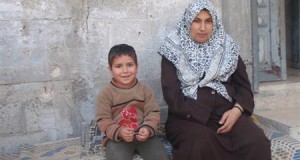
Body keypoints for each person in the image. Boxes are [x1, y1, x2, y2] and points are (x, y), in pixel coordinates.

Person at [158, 0, 271, 160]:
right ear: (187, 22)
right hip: (187, 116)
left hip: (227, 114)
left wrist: (236, 111)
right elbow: (172, 96)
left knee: (256, 141)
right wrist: (204, 113)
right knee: (200, 144)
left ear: (215, 23)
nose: (203, 27)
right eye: (196, 21)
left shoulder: (227, 48)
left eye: (208, 21)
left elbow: (244, 88)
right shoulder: (173, 49)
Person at [96, 44, 169, 160]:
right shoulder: (106, 93)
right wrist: (119, 131)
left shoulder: (145, 90)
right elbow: (103, 119)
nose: (125, 71)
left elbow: (153, 112)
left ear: (137, 67)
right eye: (118, 66)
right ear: (110, 69)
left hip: (144, 136)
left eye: (130, 65)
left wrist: (147, 129)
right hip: (118, 139)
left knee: (162, 157)